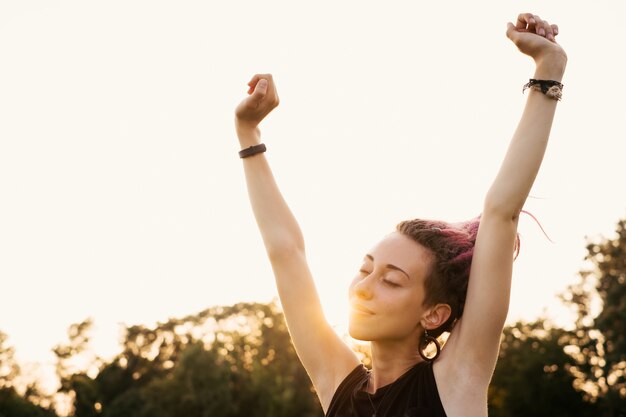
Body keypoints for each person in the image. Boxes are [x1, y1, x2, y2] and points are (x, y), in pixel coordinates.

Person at [233, 12, 567, 417]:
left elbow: (501, 212)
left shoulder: (456, 381)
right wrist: (248, 133)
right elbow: (286, 252)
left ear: (435, 314)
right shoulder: (339, 386)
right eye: (365, 268)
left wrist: (548, 71)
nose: (363, 287)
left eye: (391, 280)